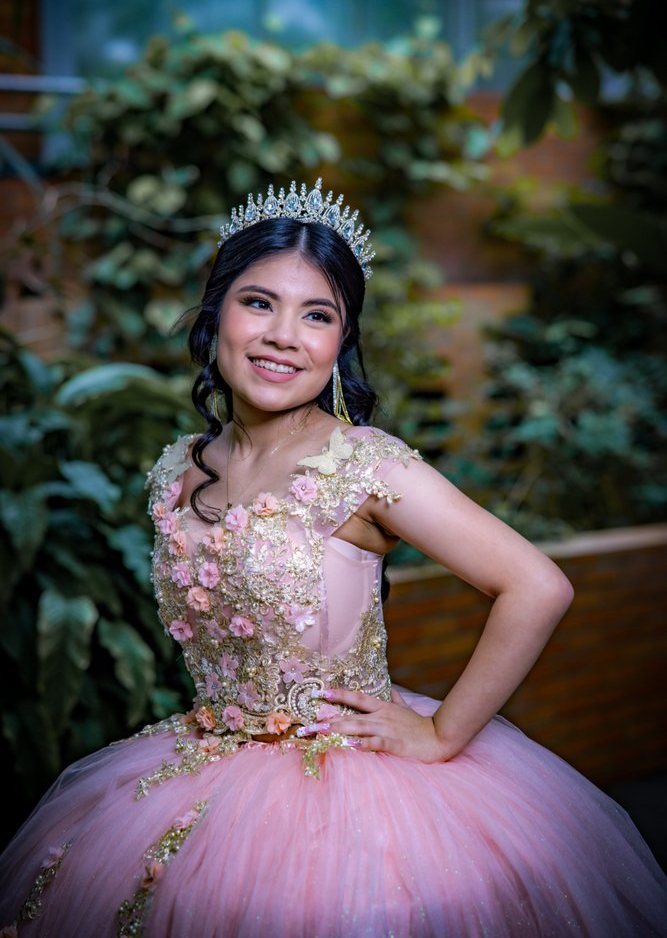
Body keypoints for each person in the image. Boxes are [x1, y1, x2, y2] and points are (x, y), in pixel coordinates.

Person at [0, 178, 665, 938]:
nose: (284, 335)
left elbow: (536, 585)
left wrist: (443, 733)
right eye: (259, 303)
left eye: (317, 315)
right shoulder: (179, 466)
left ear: (340, 342)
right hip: (202, 773)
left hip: (349, 800)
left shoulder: (363, 466)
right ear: (216, 312)